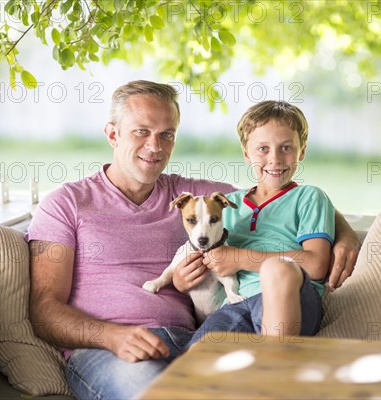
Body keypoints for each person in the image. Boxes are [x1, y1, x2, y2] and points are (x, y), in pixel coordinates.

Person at [27, 80, 360, 399]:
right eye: (141, 131)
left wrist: (343, 235)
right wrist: (113, 336)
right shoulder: (66, 204)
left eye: (166, 134)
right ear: (113, 134)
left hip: (191, 339)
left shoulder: (190, 197)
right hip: (112, 350)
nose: (155, 146)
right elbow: (44, 310)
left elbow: (277, 196)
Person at [187, 100, 336, 347]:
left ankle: (276, 372)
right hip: (235, 304)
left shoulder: (309, 197)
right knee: (194, 359)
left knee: (277, 269)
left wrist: (240, 258)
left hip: (292, 299)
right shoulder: (225, 206)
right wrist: (182, 280)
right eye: (263, 149)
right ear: (247, 154)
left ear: (302, 151)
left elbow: (317, 264)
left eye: (286, 147)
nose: (275, 159)